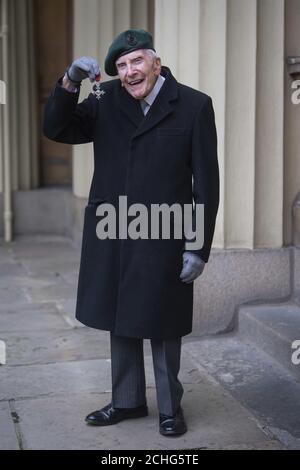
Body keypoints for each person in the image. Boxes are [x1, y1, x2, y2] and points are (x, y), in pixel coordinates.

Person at [43, 29, 219, 437]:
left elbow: (206, 185)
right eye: (121, 66)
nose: (128, 72)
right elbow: (57, 128)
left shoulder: (194, 105)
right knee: (118, 315)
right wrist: (69, 82)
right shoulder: (105, 102)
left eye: (136, 61)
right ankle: (126, 401)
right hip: (113, 230)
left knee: (162, 321)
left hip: (166, 231)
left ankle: (170, 409)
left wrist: (198, 247)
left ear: (156, 63)